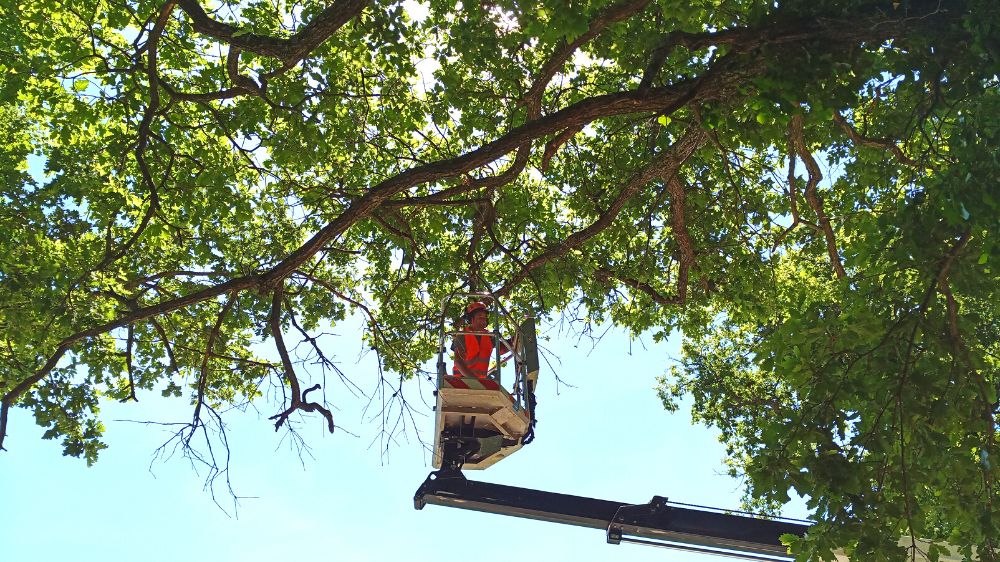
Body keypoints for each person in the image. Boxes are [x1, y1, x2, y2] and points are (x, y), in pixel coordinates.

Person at [452, 301, 509, 379]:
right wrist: (474, 379)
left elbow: (502, 349)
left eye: (485, 318)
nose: (484, 320)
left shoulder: (489, 336)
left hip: (480, 382)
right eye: (480, 317)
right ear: (471, 319)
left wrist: (516, 339)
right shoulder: (462, 335)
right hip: (461, 380)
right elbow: (458, 361)